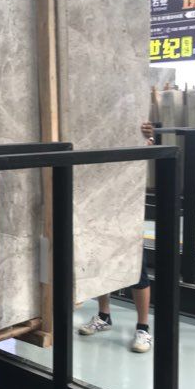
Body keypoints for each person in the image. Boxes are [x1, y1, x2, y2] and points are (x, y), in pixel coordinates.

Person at [78, 121, 156, 353]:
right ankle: (104, 316)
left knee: (136, 268)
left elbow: (146, 149)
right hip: (99, 201)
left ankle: (143, 328)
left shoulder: (132, 124)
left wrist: (146, 138)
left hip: (126, 205)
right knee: (101, 261)